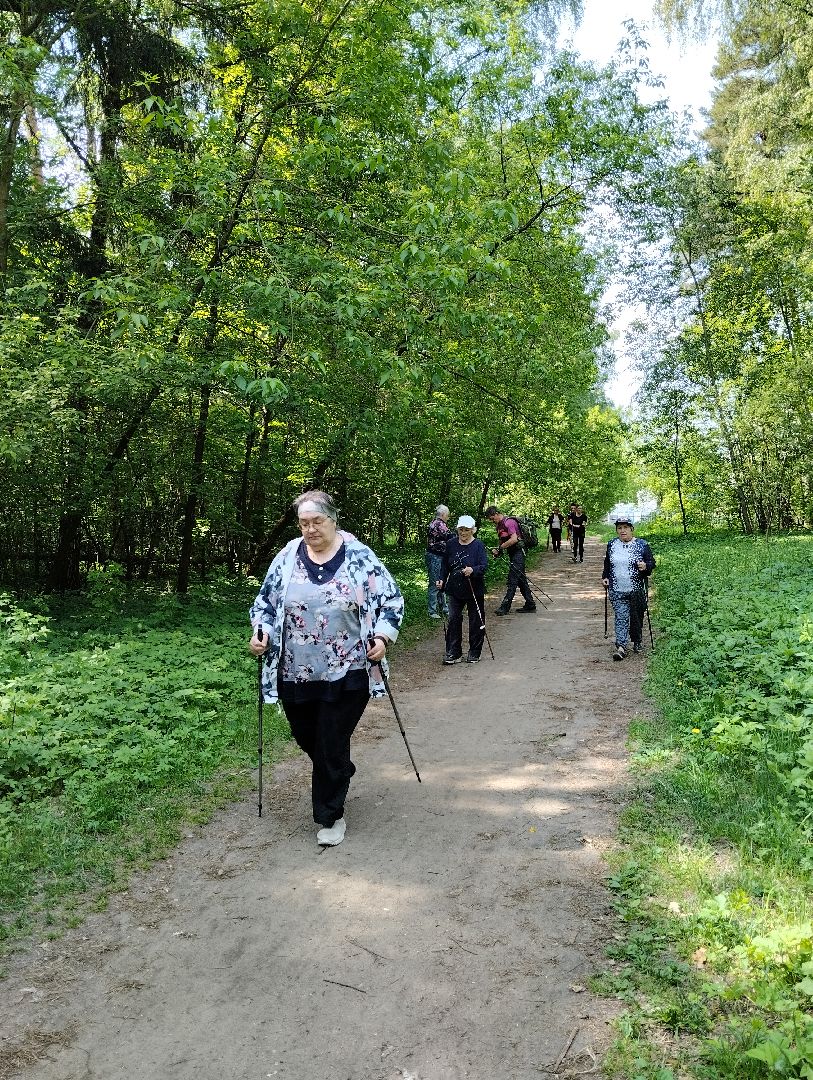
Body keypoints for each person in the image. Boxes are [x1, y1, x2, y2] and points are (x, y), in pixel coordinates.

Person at [249, 490, 404, 847]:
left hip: (350, 667)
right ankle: (338, 770)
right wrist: (262, 635)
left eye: (317, 521)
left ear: (333, 519)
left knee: (331, 739)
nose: (310, 529)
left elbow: (391, 600)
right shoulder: (287, 557)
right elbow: (265, 606)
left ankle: (330, 816)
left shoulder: (360, 557)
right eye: (304, 523)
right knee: (309, 737)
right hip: (295, 670)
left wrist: (382, 638)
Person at [601, 517, 656, 661]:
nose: (622, 530)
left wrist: (645, 566)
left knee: (637, 617)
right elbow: (608, 563)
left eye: (625, 527)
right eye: (619, 528)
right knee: (621, 616)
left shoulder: (641, 544)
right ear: (616, 530)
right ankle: (621, 647)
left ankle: (637, 641)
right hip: (617, 588)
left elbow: (651, 563)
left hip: (636, 588)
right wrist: (605, 576)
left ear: (631, 529)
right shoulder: (612, 544)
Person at [437, 515, 488, 664]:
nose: (463, 533)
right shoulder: (451, 544)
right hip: (455, 587)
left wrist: (473, 570)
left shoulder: (478, 545)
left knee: (475, 620)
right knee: (453, 619)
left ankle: (474, 652)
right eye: (461, 530)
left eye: (466, 530)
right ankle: (454, 652)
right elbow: (445, 565)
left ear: (473, 530)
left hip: (474, 587)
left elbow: (484, 566)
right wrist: (441, 579)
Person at [483, 506, 536, 615]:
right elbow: (501, 540)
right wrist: (499, 551)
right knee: (521, 579)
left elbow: (514, 539)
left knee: (512, 580)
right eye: (490, 520)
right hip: (512, 554)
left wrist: (500, 548)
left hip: (519, 553)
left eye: (493, 518)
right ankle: (530, 604)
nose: (492, 521)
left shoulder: (509, 522)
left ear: (497, 513)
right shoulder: (499, 526)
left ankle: (504, 607)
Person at [425, 504, 451, 619]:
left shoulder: (436, 523)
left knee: (442, 582)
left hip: (439, 556)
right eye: (447, 515)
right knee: (435, 583)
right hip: (435, 557)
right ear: (443, 514)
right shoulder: (439, 524)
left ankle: (444, 608)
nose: (448, 517)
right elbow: (450, 537)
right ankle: (432, 611)